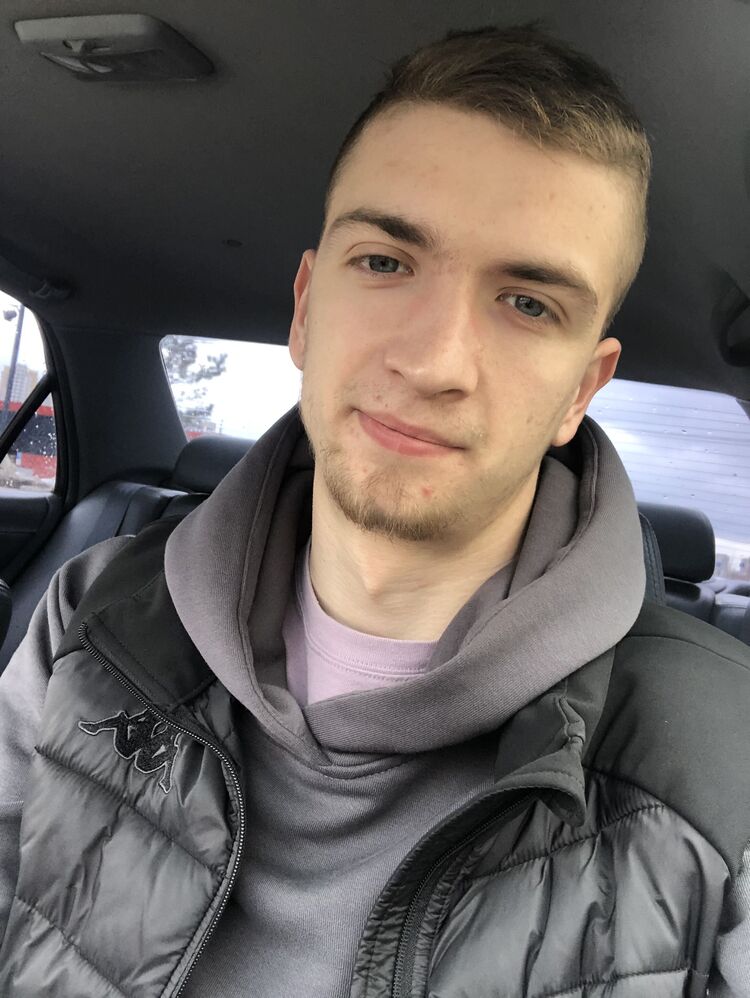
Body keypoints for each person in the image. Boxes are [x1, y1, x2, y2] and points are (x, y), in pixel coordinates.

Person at [1, 20, 749, 998]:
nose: (433, 361)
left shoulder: (727, 763)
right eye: (386, 262)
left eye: (529, 304)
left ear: (582, 389)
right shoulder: (94, 614)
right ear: (306, 307)